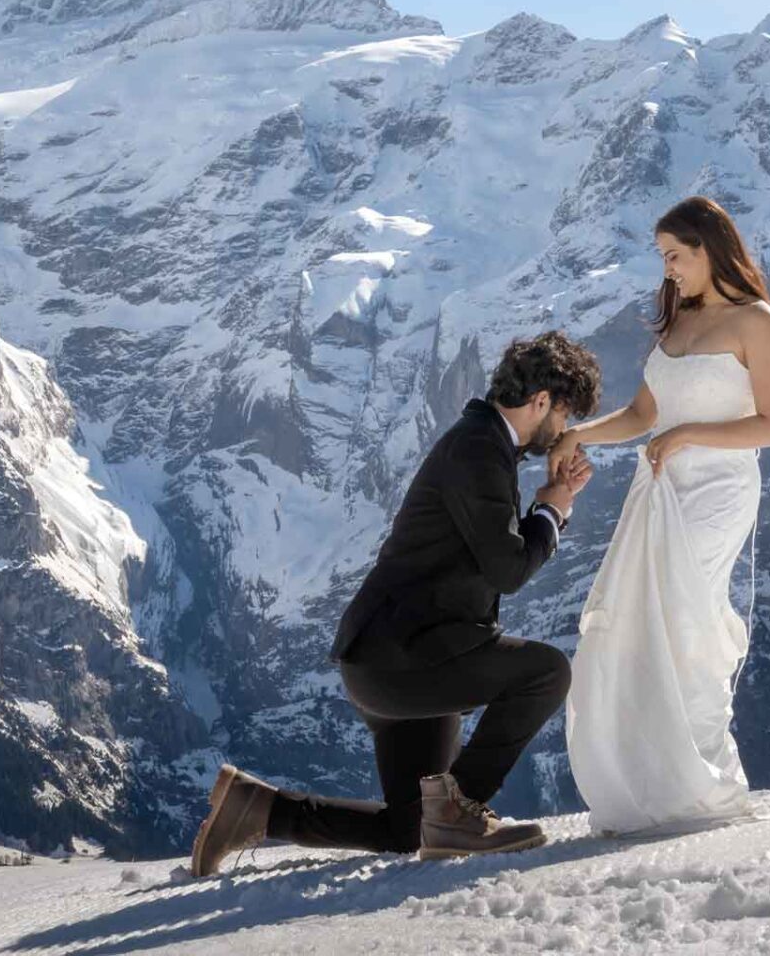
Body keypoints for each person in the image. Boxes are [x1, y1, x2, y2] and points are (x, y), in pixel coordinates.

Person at [190, 331, 601, 873]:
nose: (564, 429)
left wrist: (548, 501)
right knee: (546, 673)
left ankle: (258, 809)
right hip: (405, 660)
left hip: (393, 658)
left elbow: (493, 551)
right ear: (542, 401)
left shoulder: (482, 442)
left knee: (410, 830)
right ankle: (457, 813)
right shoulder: (480, 449)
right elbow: (508, 570)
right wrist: (553, 511)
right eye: (564, 413)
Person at [553, 195, 770, 835]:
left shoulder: (758, 322)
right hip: (660, 492)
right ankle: (652, 783)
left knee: (686, 619)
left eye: (675, 256)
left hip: (719, 491)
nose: (668, 270)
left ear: (709, 249)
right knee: (641, 622)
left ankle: (700, 783)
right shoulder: (677, 323)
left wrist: (686, 436)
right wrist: (577, 435)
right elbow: (642, 415)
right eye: (663, 258)